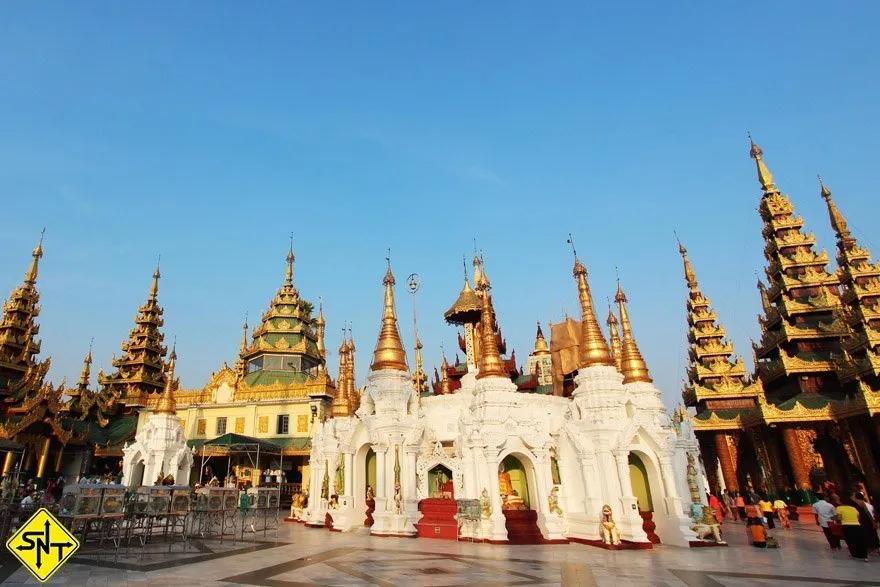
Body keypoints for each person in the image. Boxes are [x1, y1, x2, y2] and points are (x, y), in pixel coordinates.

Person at [837, 490, 868, 561]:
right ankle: (864, 555)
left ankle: (855, 554)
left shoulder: (839, 508)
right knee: (860, 540)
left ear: (841, 501)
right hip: (857, 525)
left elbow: (839, 519)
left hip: (847, 526)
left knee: (851, 540)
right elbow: (858, 516)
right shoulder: (853, 508)